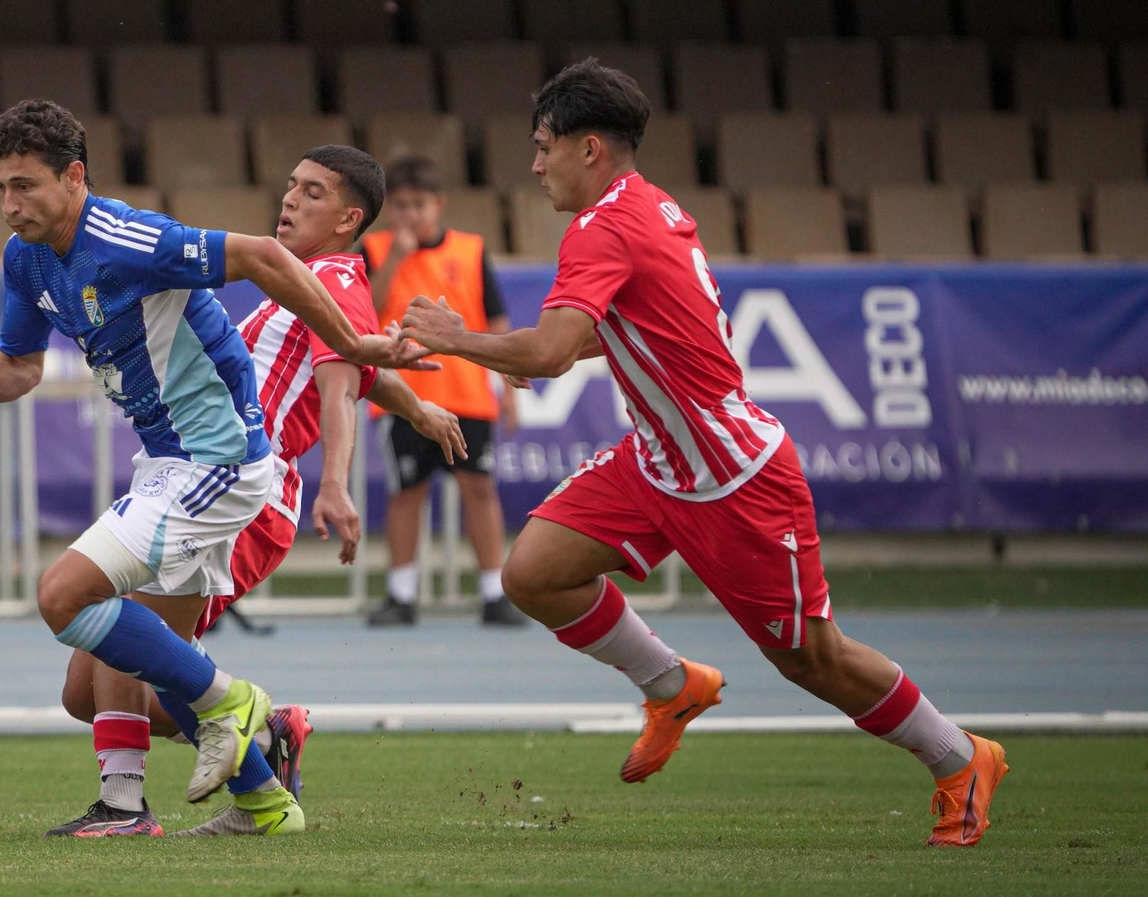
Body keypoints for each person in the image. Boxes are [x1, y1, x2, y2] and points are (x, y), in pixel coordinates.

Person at [398, 60, 1008, 848]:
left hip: (734, 477)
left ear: (591, 148)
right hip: (658, 463)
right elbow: (608, 336)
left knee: (811, 659)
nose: (535, 163)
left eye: (543, 145)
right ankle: (672, 683)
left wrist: (455, 338)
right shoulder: (647, 206)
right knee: (533, 572)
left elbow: (551, 353)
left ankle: (961, 758)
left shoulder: (603, 226)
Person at [0, 100, 429, 838]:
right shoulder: (26, 257)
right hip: (169, 460)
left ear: (74, 177)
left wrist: (358, 344)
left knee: (64, 597)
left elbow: (260, 256)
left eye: (25, 186)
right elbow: (22, 369)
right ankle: (255, 803)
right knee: (118, 670)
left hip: (219, 459)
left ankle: (232, 706)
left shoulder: (126, 236)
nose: (9, 204)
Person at [53, 145, 467, 837]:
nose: (289, 199)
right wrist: (418, 407)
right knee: (85, 688)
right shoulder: (306, 285)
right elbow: (360, 361)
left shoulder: (336, 276)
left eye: (311, 192)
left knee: (124, 632)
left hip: (243, 493)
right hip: (201, 479)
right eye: (289, 185)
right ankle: (264, 747)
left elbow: (340, 384)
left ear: (348, 217)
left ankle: (129, 805)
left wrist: (336, 483)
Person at [361, 156, 526, 627]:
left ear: (439, 204)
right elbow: (362, 313)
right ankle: (401, 594)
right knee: (406, 491)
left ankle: (494, 593)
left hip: (468, 392)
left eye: (420, 204)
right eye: (401, 205)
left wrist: (508, 389)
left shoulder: (471, 251)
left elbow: (495, 320)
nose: (411, 214)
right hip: (403, 395)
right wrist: (395, 257)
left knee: (479, 488)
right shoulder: (374, 249)